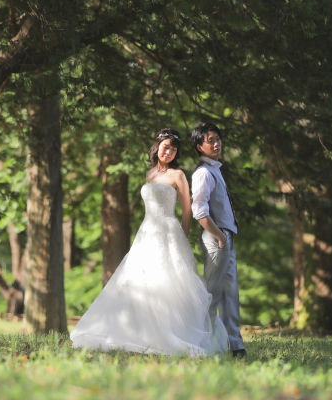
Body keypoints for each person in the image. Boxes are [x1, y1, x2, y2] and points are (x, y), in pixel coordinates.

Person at [70, 128, 227, 356]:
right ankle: (137, 332)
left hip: (169, 232)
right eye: (166, 147)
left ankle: (172, 332)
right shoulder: (150, 174)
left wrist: (181, 237)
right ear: (157, 147)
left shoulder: (178, 175)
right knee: (140, 280)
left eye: (174, 149)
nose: (169, 152)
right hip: (146, 233)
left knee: (170, 281)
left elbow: (186, 211)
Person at [191, 122, 246, 357]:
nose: (216, 143)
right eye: (210, 140)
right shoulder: (203, 172)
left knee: (230, 293)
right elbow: (199, 211)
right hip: (217, 238)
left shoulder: (215, 170)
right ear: (199, 147)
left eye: (217, 139)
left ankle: (236, 346)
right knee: (212, 295)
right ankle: (201, 344)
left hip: (226, 237)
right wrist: (220, 236)